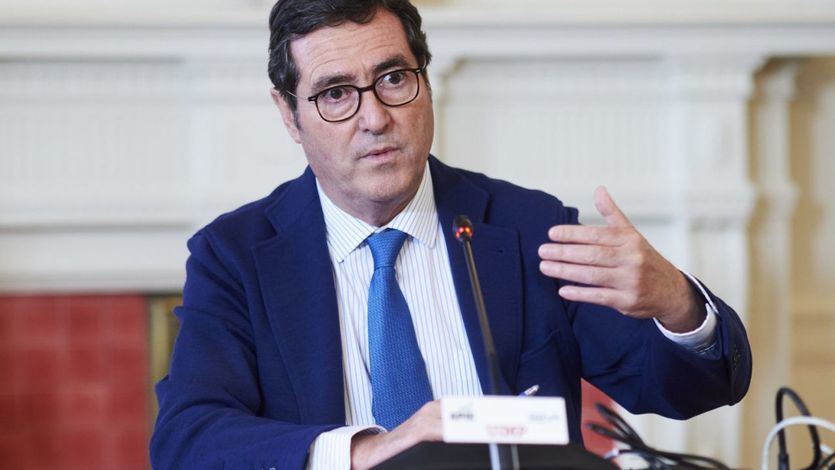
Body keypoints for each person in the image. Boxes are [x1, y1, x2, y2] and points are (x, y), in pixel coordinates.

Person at [150, 1, 752, 469]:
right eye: (335, 94)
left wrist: (676, 302)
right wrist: (370, 450)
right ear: (289, 115)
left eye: (393, 78)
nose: (375, 118)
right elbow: (188, 439)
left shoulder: (525, 228)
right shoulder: (235, 256)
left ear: (426, 81)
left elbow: (688, 389)